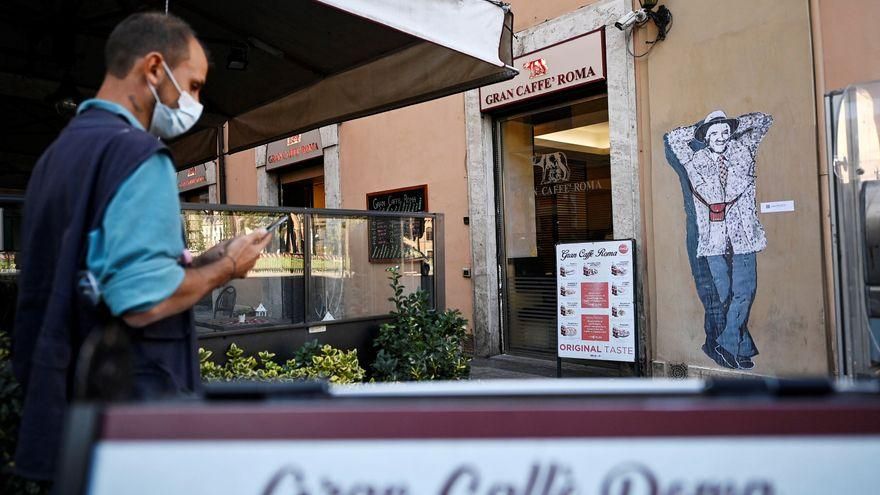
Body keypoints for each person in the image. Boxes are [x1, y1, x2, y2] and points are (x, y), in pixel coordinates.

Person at [12, 12, 271, 480]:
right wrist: (227, 267)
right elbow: (144, 300)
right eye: (192, 86)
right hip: (132, 434)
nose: (194, 102)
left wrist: (208, 259)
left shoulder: (54, 159)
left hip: (67, 424)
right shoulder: (137, 157)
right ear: (154, 69)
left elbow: (89, 272)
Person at [664, 110, 773, 370]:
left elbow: (764, 121)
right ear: (705, 136)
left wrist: (733, 124)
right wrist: (703, 125)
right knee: (725, 295)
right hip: (713, 240)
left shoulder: (743, 149)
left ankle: (725, 345)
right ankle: (740, 347)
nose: (721, 137)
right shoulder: (694, 159)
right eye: (714, 133)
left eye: (725, 132)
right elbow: (674, 138)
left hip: (744, 236)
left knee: (744, 293)